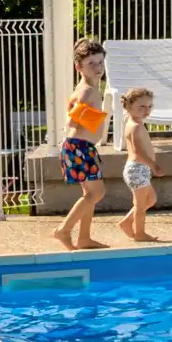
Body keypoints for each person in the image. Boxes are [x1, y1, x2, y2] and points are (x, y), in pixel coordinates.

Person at [54, 38, 109, 251]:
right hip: (80, 148)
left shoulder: (85, 88)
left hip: (80, 147)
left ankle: (84, 238)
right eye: (91, 64)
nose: (98, 68)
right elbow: (71, 120)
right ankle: (64, 230)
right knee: (96, 194)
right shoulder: (87, 91)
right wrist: (82, 117)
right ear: (79, 67)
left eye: (100, 62)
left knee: (90, 194)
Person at [117, 86, 164, 242]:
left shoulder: (136, 123)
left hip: (139, 169)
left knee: (150, 200)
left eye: (149, 106)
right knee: (140, 204)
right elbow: (138, 153)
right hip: (137, 169)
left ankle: (126, 223)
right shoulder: (136, 127)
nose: (146, 110)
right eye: (141, 107)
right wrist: (154, 165)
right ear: (128, 107)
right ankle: (140, 233)